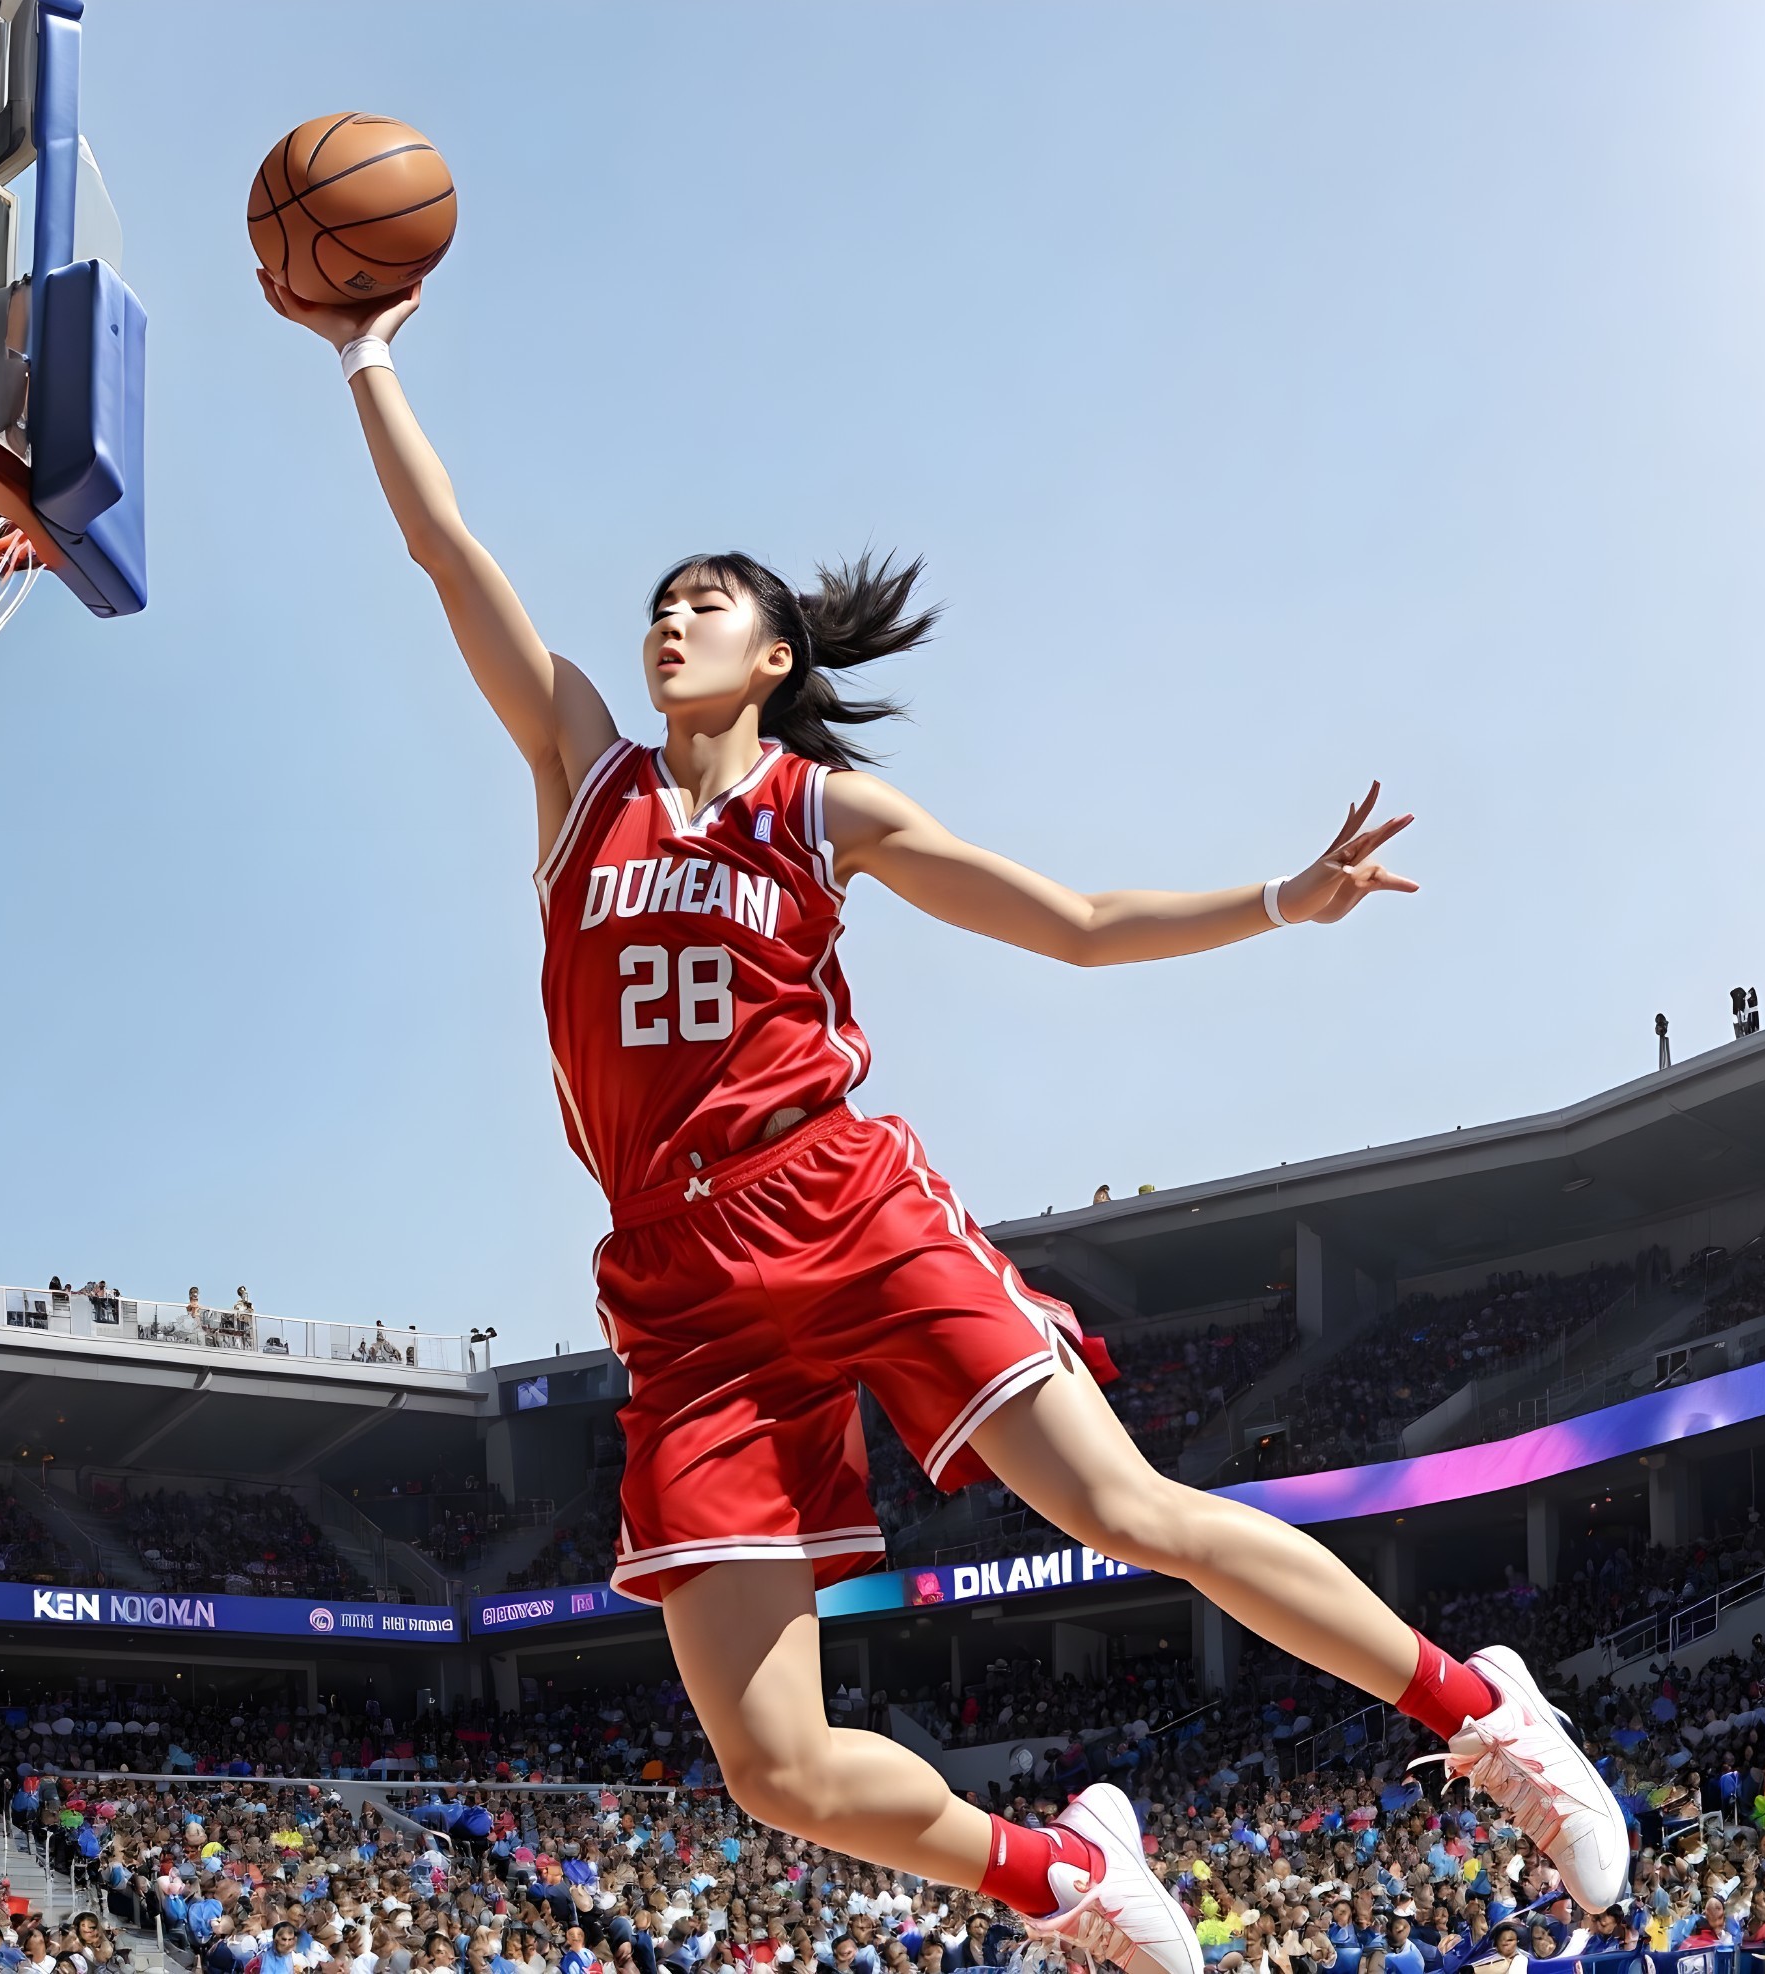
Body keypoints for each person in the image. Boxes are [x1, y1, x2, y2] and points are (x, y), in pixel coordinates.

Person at [260, 266, 1632, 1966]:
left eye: (707, 605)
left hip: (834, 1197)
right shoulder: (580, 773)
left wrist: (1279, 896)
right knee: (771, 1768)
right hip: (678, 1288)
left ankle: (1482, 1712)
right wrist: (365, 354)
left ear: (773, 658)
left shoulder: (820, 809)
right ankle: (1058, 1875)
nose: (667, 620)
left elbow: (1065, 918)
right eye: (658, 603)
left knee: (1128, 1511)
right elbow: (444, 552)